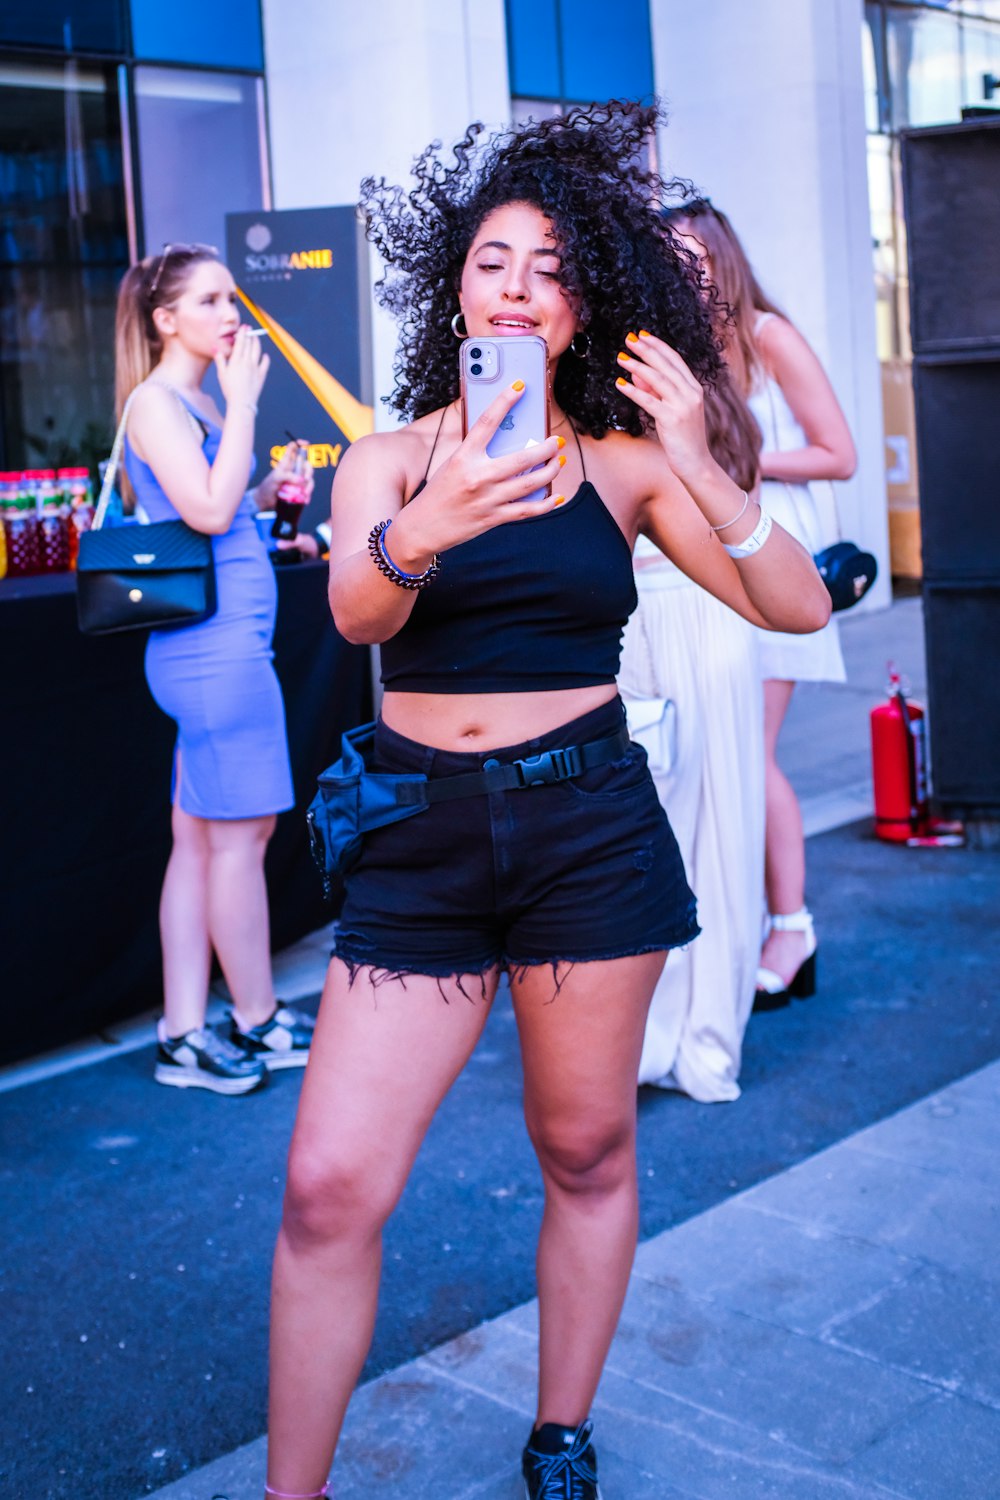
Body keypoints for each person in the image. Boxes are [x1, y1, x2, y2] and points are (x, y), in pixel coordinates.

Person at [265, 103, 830, 1500]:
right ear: (455, 285)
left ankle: (560, 1428)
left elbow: (799, 604)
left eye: (549, 268)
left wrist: (695, 450)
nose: (516, 285)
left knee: (584, 1147)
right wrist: (432, 521)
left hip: (586, 828)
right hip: (418, 839)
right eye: (493, 260)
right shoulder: (392, 460)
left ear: (585, 306)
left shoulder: (630, 467)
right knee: (330, 1187)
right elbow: (353, 610)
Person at [114, 244, 316, 1094]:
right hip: (213, 654)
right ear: (166, 319)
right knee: (239, 842)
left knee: (199, 844)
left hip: (217, 651)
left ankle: (184, 1032)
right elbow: (198, 508)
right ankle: (256, 1017)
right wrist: (240, 409)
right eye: (210, 300)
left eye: (231, 297)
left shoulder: (189, 400)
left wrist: (269, 493)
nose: (230, 314)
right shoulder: (163, 402)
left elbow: (217, 503)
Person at [666, 200, 857, 1012]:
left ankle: (790, 927)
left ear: (719, 256)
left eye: (688, 256)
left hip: (781, 557)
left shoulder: (766, 335)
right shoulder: (675, 347)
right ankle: (747, 932)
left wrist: (733, 463)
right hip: (717, 566)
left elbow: (840, 453)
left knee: (755, 754)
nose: (678, 270)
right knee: (730, 752)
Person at [619, 367, 765, 1101]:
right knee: (647, 832)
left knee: (722, 824)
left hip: (702, 610)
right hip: (632, 614)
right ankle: (647, 1042)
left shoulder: (700, 385)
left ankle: (703, 1039)